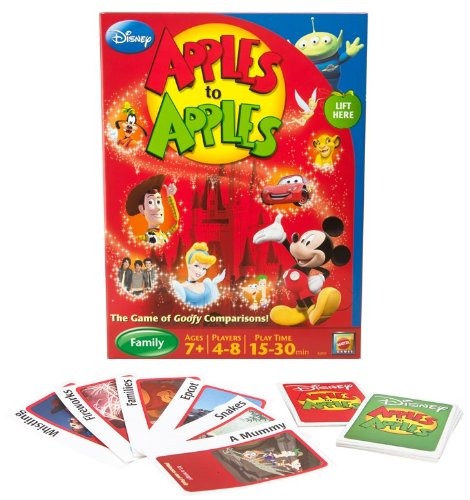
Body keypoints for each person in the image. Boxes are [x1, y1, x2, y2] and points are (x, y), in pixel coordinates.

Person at [126, 174, 179, 245]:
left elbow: (176, 223)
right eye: (150, 202)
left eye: (158, 202)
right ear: (142, 209)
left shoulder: (165, 235)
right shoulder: (143, 239)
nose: (158, 207)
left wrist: (170, 196)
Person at [171, 242, 225, 307]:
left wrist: (215, 282)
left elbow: (216, 304)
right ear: (188, 264)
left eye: (204, 268)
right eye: (196, 266)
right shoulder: (180, 288)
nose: (200, 271)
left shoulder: (207, 284)